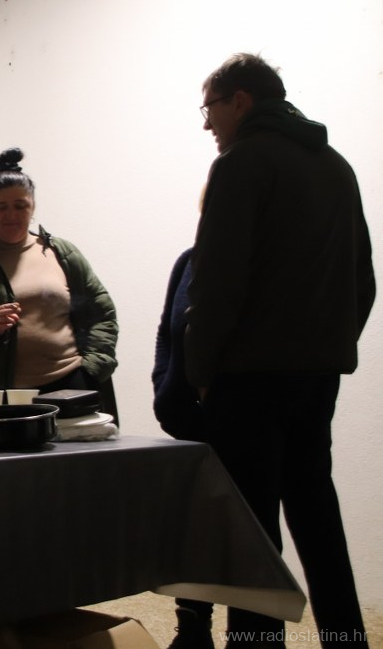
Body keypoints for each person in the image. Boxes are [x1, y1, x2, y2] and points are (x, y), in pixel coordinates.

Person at [186, 53, 375, 648]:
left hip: (249, 379)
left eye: (210, 108)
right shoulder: (336, 167)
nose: (207, 123)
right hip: (316, 376)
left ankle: (256, 645)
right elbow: (363, 280)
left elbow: (218, 281)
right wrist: (328, 346)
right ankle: (347, 639)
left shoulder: (241, 163)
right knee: (317, 513)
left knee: (253, 530)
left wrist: (201, 370)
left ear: (240, 101)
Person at [0, 147, 118, 410]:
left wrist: (92, 369)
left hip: (71, 387)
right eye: (1, 207)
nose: (11, 215)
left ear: (33, 207)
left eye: (20, 206)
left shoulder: (62, 253)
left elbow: (103, 314)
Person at [153, 245, 215, 649]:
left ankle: (254, 633)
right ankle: (193, 625)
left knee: (251, 530)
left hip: (244, 418)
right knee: (193, 524)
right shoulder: (189, 260)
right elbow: (167, 332)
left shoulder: (259, 256)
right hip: (190, 419)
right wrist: (164, 387)